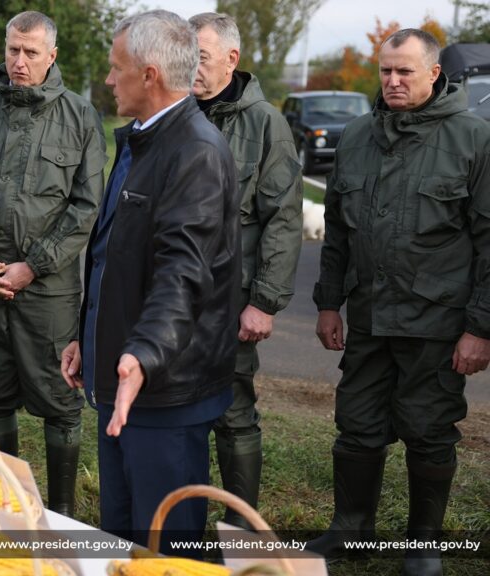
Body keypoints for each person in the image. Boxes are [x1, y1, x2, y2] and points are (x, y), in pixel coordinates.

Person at [308, 29, 490, 575]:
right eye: (385, 70)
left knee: (429, 430)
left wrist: (481, 327)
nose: (392, 81)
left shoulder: (474, 139)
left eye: (405, 71)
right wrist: (327, 303)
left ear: (434, 74)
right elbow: (338, 230)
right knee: (356, 426)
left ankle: (423, 544)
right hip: (368, 319)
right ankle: (351, 528)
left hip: (437, 324)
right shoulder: (360, 134)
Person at [60, 10, 239, 552]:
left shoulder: (194, 152)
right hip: (124, 380)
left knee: (165, 544)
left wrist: (142, 353)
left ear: (150, 75)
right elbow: (113, 256)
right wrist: (87, 337)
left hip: (164, 392)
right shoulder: (143, 139)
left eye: (116, 69)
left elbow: (183, 273)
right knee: (121, 536)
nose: (109, 80)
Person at [0, 11, 106, 517]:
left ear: (51, 56)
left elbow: (87, 208)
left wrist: (32, 266)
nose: (18, 61)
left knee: (60, 404)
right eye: (13, 49)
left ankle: (60, 516)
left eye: (31, 52)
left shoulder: (80, 117)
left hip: (48, 292)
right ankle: (2, 507)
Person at [189, 12, 303, 528]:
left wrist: (264, 301)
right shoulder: (174, 113)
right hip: (172, 298)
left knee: (233, 416)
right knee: (178, 416)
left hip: (231, 301)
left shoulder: (265, 124)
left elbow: (283, 219)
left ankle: (242, 533)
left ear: (231, 60)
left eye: (201, 56)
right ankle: (183, 530)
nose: (189, 66)